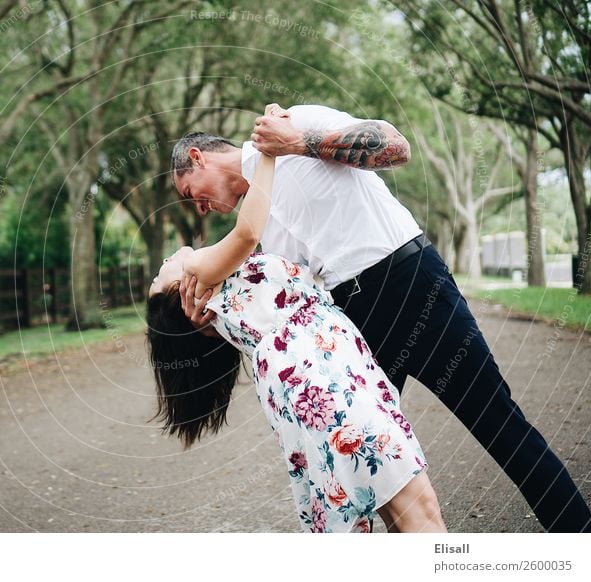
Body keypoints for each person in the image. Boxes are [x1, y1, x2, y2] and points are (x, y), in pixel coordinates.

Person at [171, 103, 591, 533]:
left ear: (197, 157)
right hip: (354, 325)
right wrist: (206, 318)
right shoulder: (255, 226)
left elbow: (395, 148)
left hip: (411, 283)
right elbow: (279, 310)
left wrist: (298, 143)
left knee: (500, 424)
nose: (199, 209)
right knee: (377, 471)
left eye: (190, 192)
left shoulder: (290, 121)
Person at [147, 110, 447, 533]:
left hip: (322, 371)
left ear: (197, 158)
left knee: (394, 501)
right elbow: (247, 231)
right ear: (178, 294)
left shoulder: (224, 283)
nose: (165, 261)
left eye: (188, 190)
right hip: (322, 375)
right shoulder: (201, 270)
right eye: (160, 274)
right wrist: (267, 154)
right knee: (415, 508)